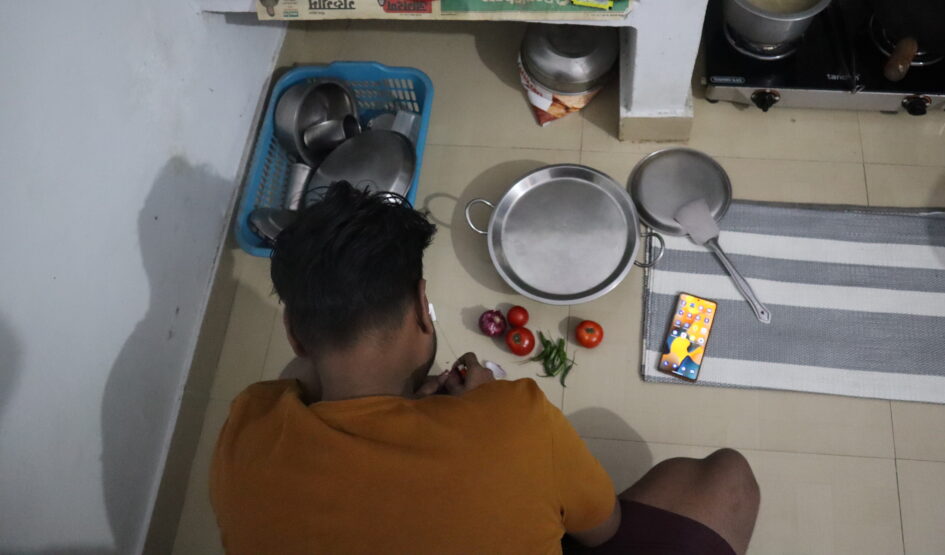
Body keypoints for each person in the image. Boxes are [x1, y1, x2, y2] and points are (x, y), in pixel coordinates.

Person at [211, 183, 760, 554]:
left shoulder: (245, 431)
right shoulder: (514, 419)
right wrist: (485, 424)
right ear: (422, 308)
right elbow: (603, 530)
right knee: (726, 476)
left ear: (294, 333)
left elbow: (309, 381)